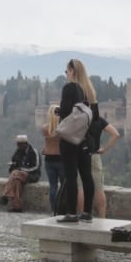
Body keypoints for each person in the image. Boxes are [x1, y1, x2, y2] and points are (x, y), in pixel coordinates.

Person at [55, 59, 98, 223]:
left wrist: (59, 112)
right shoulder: (89, 91)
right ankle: (87, 212)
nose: (66, 75)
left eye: (66, 71)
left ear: (72, 71)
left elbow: (66, 114)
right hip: (86, 140)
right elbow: (96, 118)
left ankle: (72, 213)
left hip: (71, 140)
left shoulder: (70, 88)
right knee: (87, 176)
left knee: (71, 176)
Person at [83, 111, 121, 218]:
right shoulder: (98, 119)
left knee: (80, 188)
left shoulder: (78, 118)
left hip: (81, 155)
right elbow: (116, 134)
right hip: (95, 155)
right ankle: (102, 218)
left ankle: (82, 216)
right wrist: (105, 149)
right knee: (99, 189)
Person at [0, 134, 42, 212]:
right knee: (16, 181)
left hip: (31, 175)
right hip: (18, 175)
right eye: (17, 144)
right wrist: (13, 165)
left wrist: (22, 170)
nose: (18, 146)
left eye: (20, 144)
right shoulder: (18, 152)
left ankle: (5, 195)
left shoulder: (33, 152)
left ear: (25, 143)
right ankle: (17, 207)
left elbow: (36, 167)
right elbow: (14, 162)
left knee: (16, 173)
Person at [42, 106, 65, 215]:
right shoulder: (62, 128)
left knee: (53, 186)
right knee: (64, 185)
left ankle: (53, 210)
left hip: (48, 160)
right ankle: (63, 208)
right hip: (61, 159)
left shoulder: (45, 128)